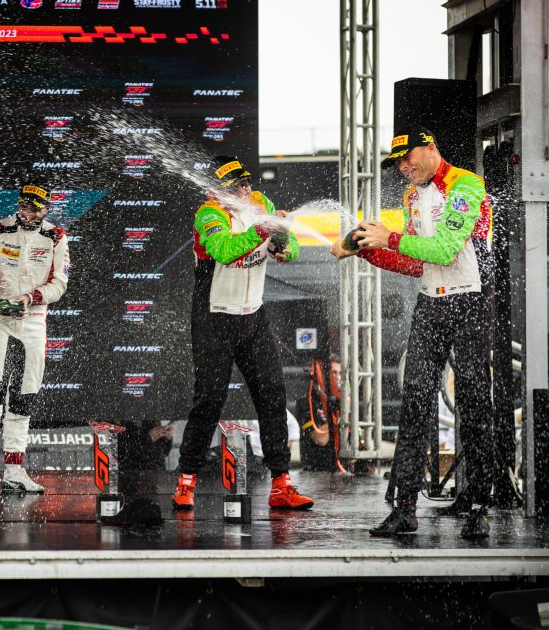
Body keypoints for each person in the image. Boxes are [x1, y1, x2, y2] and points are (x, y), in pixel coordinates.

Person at [331, 124, 494, 539]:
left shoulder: (466, 185)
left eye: (408, 158)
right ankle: (404, 507)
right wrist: (367, 251)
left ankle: (478, 503)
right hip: (430, 303)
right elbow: (417, 261)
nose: (404, 167)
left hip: (470, 300)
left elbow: (445, 250)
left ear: (431, 148)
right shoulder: (410, 196)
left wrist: (389, 237)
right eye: (398, 163)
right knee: (415, 401)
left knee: (474, 399)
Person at [172, 156, 314, 511]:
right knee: (209, 400)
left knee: (272, 395)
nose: (247, 189)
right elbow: (225, 251)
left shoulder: (262, 204)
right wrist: (264, 230)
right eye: (238, 185)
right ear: (218, 191)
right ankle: (186, 480)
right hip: (214, 318)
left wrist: (282, 243)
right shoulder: (209, 214)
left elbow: (291, 249)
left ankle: (281, 483)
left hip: (253, 316)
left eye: (248, 181)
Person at [0, 183, 69, 494]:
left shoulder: (56, 236)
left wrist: (31, 297)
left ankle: (14, 469)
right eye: (24, 207)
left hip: (33, 318)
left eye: (34, 209)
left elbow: (60, 283)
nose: (27, 214)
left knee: (24, 395)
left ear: (46, 209)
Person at [296, 354, 346, 473]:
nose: (338, 377)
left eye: (340, 373)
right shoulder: (307, 402)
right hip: (316, 472)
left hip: (341, 472)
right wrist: (341, 415)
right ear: (324, 375)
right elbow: (321, 439)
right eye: (334, 373)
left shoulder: (342, 402)